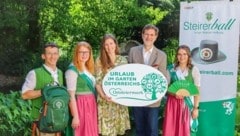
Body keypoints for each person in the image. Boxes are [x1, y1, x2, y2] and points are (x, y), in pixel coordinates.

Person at [128, 24, 169, 136]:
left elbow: (163, 76)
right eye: (146, 34)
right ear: (142, 35)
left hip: (153, 99)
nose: (149, 37)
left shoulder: (161, 55)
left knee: (152, 130)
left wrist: (159, 93)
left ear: (155, 37)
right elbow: (129, 73)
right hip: (136, 97)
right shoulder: (133, 51)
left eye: (152, 35)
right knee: (139, 129)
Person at [21, 43, 63, 136]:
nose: (53, 56)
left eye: (55, 53)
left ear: (58, 55)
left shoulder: (60, 73)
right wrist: (43, 91)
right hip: (42, 120)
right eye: (49, 53)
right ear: (43, 56)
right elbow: (24, 95)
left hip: (57, 119)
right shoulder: (34, 73)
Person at [95, 34, 131, 136]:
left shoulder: (123, 60)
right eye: (106, 45)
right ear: (103, 47)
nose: (109, 46)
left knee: (119, 131)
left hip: (119, 101)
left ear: (115, 44)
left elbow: (127, 81)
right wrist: (103, 96)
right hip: (106, 101)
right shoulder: (99, 60)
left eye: (111, 43)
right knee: (107, 132)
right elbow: (97, 82)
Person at [162, 45, 201, 136]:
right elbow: (165, 87)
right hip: (173, 103)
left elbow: (197, 91)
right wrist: (174, 93)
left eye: (184, 54)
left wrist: (196, 108)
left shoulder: (194, 70)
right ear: (176, 56)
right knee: (171, 129)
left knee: (185, 129)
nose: (182, 57)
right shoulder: (171, 69)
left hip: (187, 104)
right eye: (179, 54)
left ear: (188, 56)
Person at [65, 41, 98, 136]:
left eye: (86, 52)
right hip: (80, 105)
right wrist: (75, 116)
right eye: (81, 52)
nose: (84, 55)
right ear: (76, 53)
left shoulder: (88, 68)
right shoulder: (72, 70)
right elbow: (70, 96)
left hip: (90, 104)